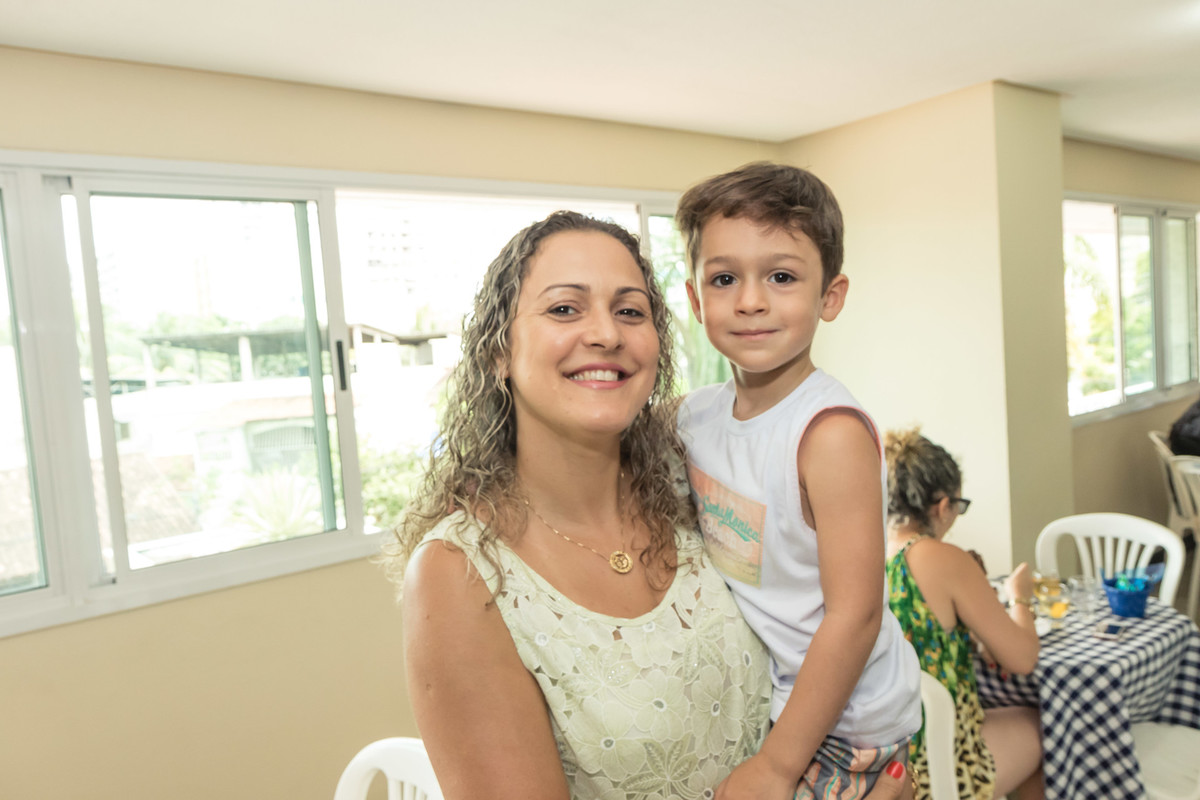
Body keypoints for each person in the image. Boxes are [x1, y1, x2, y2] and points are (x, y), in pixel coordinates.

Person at [387, 210, 910, 800]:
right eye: (564, 308)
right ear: (497, 352)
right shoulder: (459, 575)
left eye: (630, 310)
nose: (607, 334)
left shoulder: (687, 477)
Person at [675, 162, 922, 800]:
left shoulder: (828, 433)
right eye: (724, 278)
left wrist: (778, 766)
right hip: (772, 696)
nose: (750, 300)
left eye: (781, 276)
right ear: (695, 299)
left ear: (830, 297)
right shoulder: (694, 415)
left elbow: (856, 613)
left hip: (850, 720)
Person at [884, 427, 1044, 800]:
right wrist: (1019, 596)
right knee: (1048, 726)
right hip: (938, 757)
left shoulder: (876, 554)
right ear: (942, 505)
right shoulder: (941, 558)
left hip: (889, 757)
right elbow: (1022, 658)